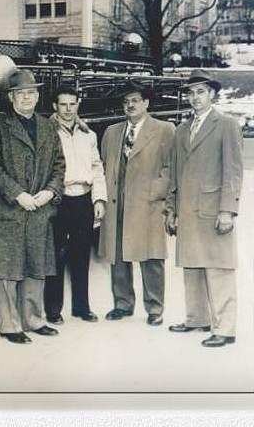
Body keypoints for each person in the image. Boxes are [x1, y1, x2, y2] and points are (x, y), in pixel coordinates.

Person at [0, 68, 66, 345]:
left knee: (35, 267)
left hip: (40, 208)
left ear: (38, 95)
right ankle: (10, 326)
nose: (26, 98)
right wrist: (18, 194)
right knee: (6, 270)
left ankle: (34, 320)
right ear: (11, 97)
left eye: (31, 92)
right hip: (9, 210)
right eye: (21, 94)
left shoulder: (47, 126)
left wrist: (49, 192)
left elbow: (59, 165)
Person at [165, 69, 243, 347]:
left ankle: (225, 328)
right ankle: (197, 318)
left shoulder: (227, 125)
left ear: (212, 94)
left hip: (213, 210)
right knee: (192, 267)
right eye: (191, 92)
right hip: (187, 211)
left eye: (200, 91)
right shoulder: (182, 129)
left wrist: (227, 210)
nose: (195, 97)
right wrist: (171, 210)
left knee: (219, 268)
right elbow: (175, 173)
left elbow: (233, 172)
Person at [98, 81, 175, 326]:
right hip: (117, 202)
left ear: (146, 103)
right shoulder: (112, 132)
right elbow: (102, 165)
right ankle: (122, 304)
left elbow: (171, 167)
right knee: (118, 255)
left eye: (135, 101)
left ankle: (155, 308)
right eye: (126, 102)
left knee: (151, 258)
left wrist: (156, 193)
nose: (130, 105)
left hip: (148, 203)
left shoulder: (164, 130)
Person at [43, 86, 107, 325]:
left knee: (81, 255)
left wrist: (98, 199)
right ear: (55, 107)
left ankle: (82, 307)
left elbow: (97, 167)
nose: (68, 109)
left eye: (72, 104)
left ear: (78, 104)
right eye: (63, 105)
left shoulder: (88, 134)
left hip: (83, 199)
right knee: (56, 256)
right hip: (59, 199)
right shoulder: (47, 132)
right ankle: (53, 309)